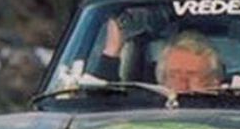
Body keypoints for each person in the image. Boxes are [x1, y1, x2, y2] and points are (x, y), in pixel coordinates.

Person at [93, 18, 222, 92]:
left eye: (192, 76)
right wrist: (112, 51)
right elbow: (98, 105)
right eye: (174, 75)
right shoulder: (139, 106)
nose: (182, 86)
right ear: (162, 78)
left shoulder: (229, 111)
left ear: (213, 82)